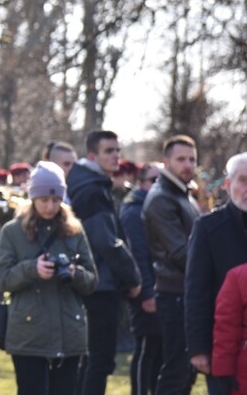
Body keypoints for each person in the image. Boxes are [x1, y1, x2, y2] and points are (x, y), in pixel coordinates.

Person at [0, 161, 97, 395]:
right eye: (44, 200)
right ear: (32, 197)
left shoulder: (74, 230)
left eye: (56, 200)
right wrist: (32, 269)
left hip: (69, 334)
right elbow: (0, 279)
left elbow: (91, 281)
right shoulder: (12, 231)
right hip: (29, 336)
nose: (50, 206)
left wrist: (73, 273)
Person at [67, 129, 142, 395]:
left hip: (93, 282)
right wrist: (133, 276)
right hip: (99, 285)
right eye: (108, 151)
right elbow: (105, 240)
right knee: (99, 361)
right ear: (92, 155)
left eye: (117, 150)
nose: (116, 156)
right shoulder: (92, 190)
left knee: (90, 360)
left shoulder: (91, 184)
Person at [143, 135, 201, 394]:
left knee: (187, 370)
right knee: (176, 370)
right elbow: (180, 252)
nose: (188, 164)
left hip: (187, 292)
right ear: (165, 162)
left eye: (192, 159)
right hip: (174, 292)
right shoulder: (162, 198)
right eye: (181, 159)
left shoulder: (182, 194)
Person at [186, 152, 247, 395]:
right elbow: (196, 290)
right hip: (222, 343)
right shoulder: (208, 227)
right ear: (229, 184)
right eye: (243, 180)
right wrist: (199, 348)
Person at [120, 162, 163, 395]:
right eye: (153, 181)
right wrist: (147, 292)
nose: (158, 186)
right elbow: (138, 254)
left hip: (159, 287)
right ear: (140, 183)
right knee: (146, 348)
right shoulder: (134, 209)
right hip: (145, 290)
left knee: (158, 349)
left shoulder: (153, 206)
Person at [210, 261, 247, 394]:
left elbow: (225, 329)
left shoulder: (237, 277)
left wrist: (222, 372)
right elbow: (226, 329)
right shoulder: (238, 277)